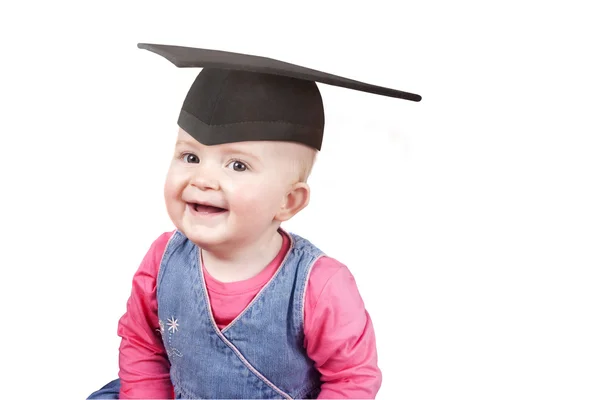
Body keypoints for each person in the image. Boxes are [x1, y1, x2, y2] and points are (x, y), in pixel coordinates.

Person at [88, 43, 421, 399]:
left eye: (238, 165)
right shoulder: (163, 258)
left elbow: (351, 379)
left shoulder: (319, 285)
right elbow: (143, 344)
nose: (202, 179)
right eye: (190, 156)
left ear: (288, 202)